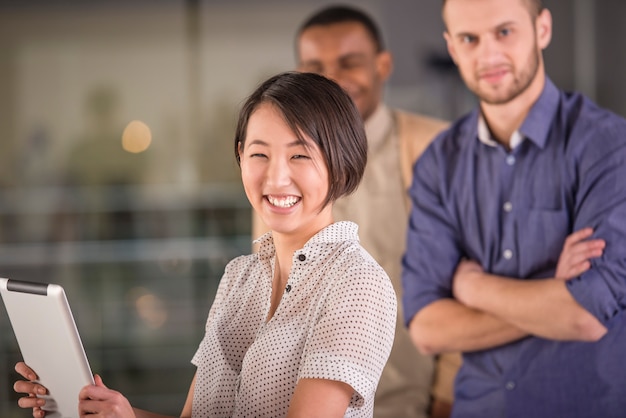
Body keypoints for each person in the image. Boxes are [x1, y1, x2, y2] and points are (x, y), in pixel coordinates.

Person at [13, 71, 397, 418]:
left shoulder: (357, 284)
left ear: (341, 163)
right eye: (259, 154)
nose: (276, 178)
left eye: (299, 155)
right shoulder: (238, 277)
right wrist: (119, 413)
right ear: (240, 158)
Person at [402, 0, 626, 417]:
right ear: (452, 48)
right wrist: (549, 296)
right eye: (469, 39)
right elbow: (429, 329)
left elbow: (585, 316)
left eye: (504, 32)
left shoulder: (607, 145)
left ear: (542, 29)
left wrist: (473, 288)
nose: (487, 55)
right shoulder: (439, 162)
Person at [252, 6, 456, 418]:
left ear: (383, 65)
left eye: (350, 63)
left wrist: (449, 393)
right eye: (316, 66)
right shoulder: (276, 167)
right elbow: (270, 282)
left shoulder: (436, 148)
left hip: (410, 402)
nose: (333, 78)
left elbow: (461, 273)